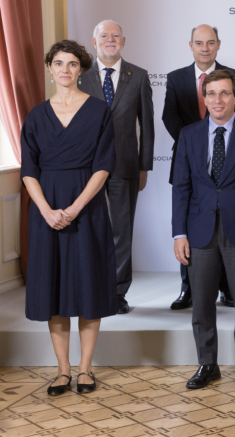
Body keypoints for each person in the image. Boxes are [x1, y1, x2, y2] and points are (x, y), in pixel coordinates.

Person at [22, 40, 117, 396]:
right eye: (59, 63)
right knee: (52, 288)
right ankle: (62, 370)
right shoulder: (35, 115)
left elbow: (104, 165)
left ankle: (85, 369)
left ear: (82, 70)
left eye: (72, 64)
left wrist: (75, 208)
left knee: (88, 285)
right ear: (50, 69)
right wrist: (46, 210)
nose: (65, 69)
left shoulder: (98, 111)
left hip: (86, 207)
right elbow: (29, 170)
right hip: (45, 209)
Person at [172, 70, 235, 390]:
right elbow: (181, 188)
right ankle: (207, 364)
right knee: (201, 302)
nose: (218, 100)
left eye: (225, 93)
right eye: (212, 93)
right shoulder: (188, 135)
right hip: (199, 229)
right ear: (204, 98)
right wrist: (179, 234)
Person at [163, 25, 235, 310]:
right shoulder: (175, 78)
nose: (205, 48)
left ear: (218, 44)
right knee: (192, 227)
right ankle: (188, 288)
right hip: (190, 164)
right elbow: (169, 116)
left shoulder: (232, 77)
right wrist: (195, 145)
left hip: (230, 166)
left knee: (224, 227)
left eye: (210, 43)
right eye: (199, 43)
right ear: (191, 45)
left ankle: (227, 288)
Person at [78, 20, 154, 314]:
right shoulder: (81, 76)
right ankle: (92, 287)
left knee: (122, 231)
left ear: (123, 41)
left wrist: (144, 166)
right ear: (94, 42)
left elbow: (146, 124)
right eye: (104, 36)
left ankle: (117, 293)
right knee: (90, 228)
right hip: (86, 167)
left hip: (125, 165)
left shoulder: (139, 76)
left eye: (115, 35)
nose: (110, 39)